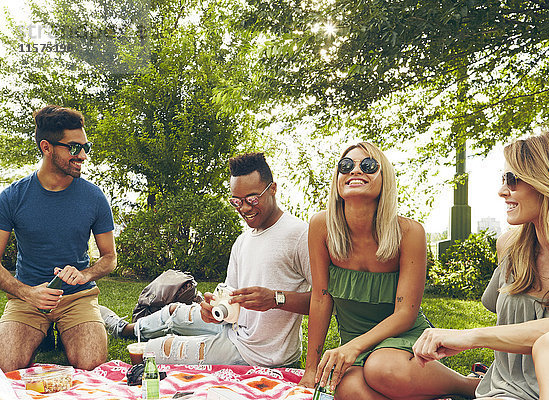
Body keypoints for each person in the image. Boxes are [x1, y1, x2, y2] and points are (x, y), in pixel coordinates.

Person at [412, 131, 549, 400]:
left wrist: (471, 336)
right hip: (506, 393)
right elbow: (497, 308)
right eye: (504, 179)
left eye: (513, 180)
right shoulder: (511, 247)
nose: (502, 191)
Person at [298, 142, 478, 399]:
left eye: (368, 165)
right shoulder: (321, 225)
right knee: (348, 391)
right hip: (355, 342)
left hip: (401, 336)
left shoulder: (409, 232)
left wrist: (353, 347)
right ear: (337, 180)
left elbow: (406, 313)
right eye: (346, 165)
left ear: (385, 179)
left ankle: (470, 386)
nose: (355, 171)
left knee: (382, 368)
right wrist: (310, 369)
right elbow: (320, 298)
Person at [101, 152, 312, 367]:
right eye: (236, 201)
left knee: (155, 351)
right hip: (232, 328)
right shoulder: (243, 240)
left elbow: (325, 301)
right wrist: (212, 308)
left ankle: (142, 337)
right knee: (174, 312)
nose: (245, 208)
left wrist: (276, 299)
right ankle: (126, 330)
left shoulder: (300, 235)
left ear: (273, 189)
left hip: (259, 353)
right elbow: (230, 294)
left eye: (252, 199)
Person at [0, 105, 117, 371]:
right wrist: (27, 293)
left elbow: (110, 258)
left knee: (91, 365)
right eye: (74, 148)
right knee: (6, 366)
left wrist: (86, 275)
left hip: (77, 298)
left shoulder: (94, 197)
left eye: (86, 147)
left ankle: (63, 332)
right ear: (46, 147)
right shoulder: (12, 197)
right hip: (27, 299)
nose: (83, 156)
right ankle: (42, 333)